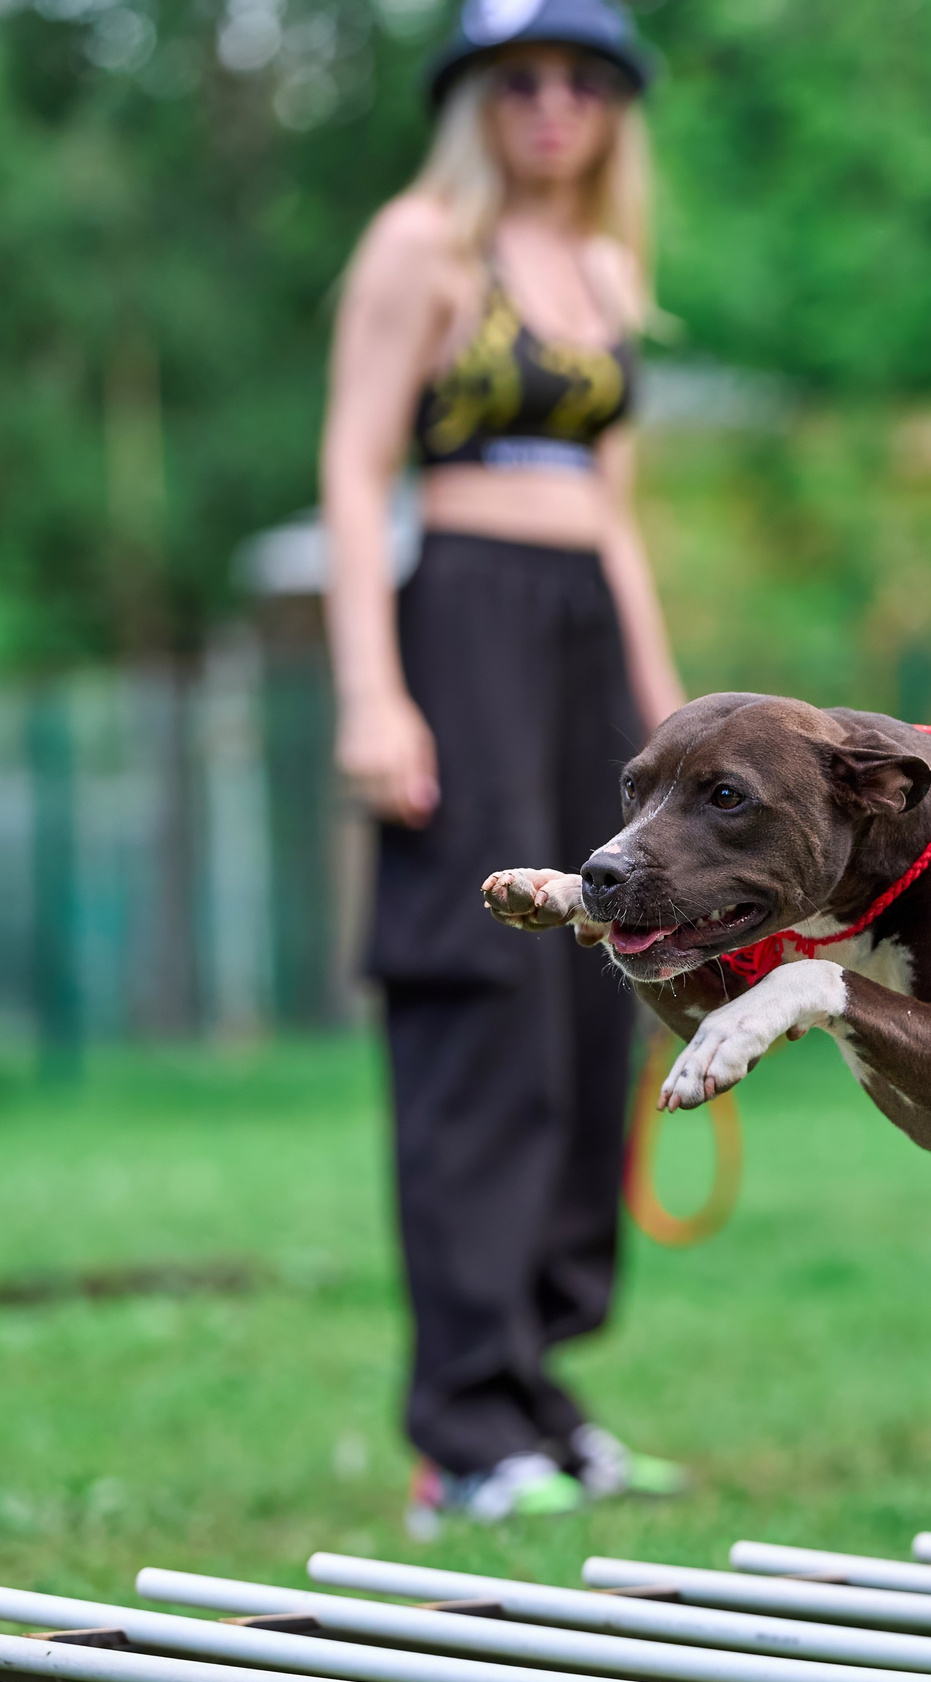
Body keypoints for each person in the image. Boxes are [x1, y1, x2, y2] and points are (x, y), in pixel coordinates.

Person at [320, 0, 688, 1532]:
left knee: (586, 1007)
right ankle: (460, 1433)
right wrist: (371, 693)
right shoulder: (420, 246)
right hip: (457, 630)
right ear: (475, 97)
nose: (554, 107)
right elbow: (352, 467)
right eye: (521, 80)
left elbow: (613, 511)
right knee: (477, 1005)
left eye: (585, 82)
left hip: (584, 643)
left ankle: (540, 1392)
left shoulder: (605, 271)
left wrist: (673, 718)